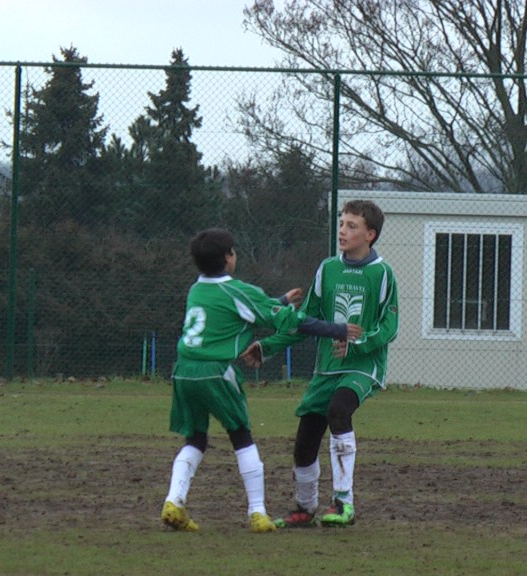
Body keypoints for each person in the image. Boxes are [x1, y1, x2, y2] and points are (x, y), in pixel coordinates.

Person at [161, 228, 361, 533]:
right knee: (241, 437)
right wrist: (337, 330)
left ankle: (174, 501)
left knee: (196, 439)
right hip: (215, 372)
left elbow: (238, 310)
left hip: (183, 371)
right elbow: (289, 320)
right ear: (228, 258)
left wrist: (278, 300)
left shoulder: (196, 289)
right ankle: (257, 512)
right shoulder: (237, 290)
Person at [241, 199, 399, 528]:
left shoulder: (382, 273)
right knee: (305, 439)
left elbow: (389, 327)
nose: (342, 230)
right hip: (326, 368)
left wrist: (358, 343)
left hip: (362, 366)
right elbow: (305, 322)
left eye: (351, 226)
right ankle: (304, 508)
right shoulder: (327, 269)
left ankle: (344, 502)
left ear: (370, 234)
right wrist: (267, 347)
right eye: (341, 223)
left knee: (339, 411)